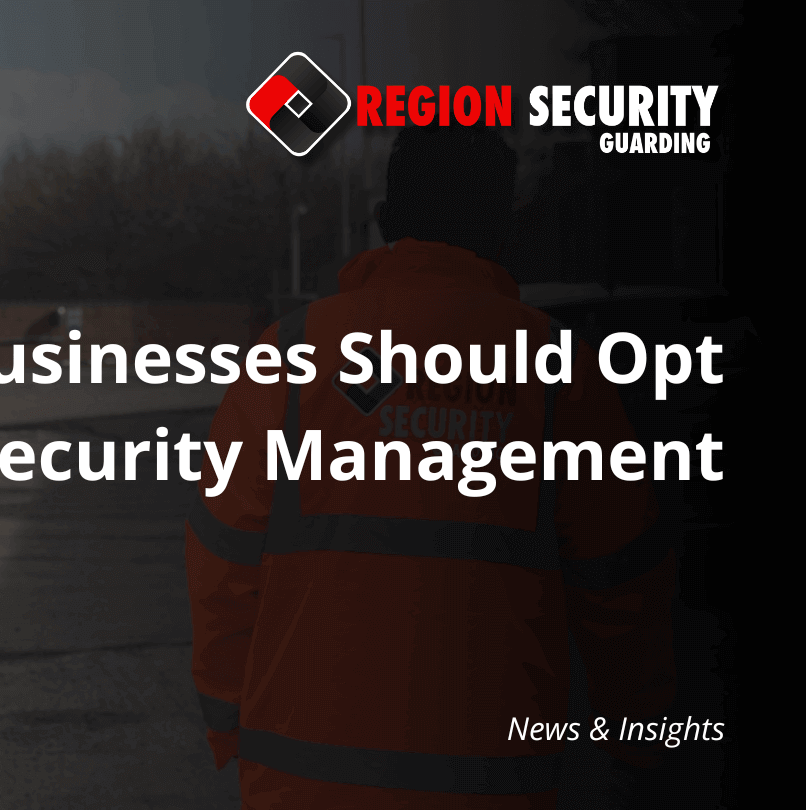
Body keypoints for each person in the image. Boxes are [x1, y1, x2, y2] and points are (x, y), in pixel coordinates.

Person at [185, 125, 676, 808]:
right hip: (491, 783)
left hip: (303, 782)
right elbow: (624, 579)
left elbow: (221, 560)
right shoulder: (558, 372)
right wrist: (641, 736)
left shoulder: (288, 359)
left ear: (386, 223)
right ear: (505, 233)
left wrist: (226, 711)